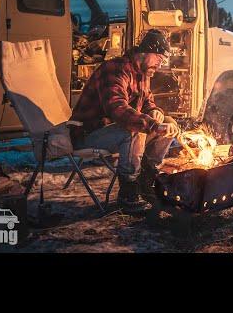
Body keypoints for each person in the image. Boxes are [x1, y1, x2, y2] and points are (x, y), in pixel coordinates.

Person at [69, 29, 180, 214]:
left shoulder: (143, 73)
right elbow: (118, 109)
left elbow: (147, 101)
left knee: (169, 123)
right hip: (88, 133)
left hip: (113, 131)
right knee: (134, 130)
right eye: (158, 59)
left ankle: (147, 180)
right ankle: (128, 195)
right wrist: (152, 124)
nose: (159, 65)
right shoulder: (115, 69)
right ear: (144, 52)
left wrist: (154, 111)